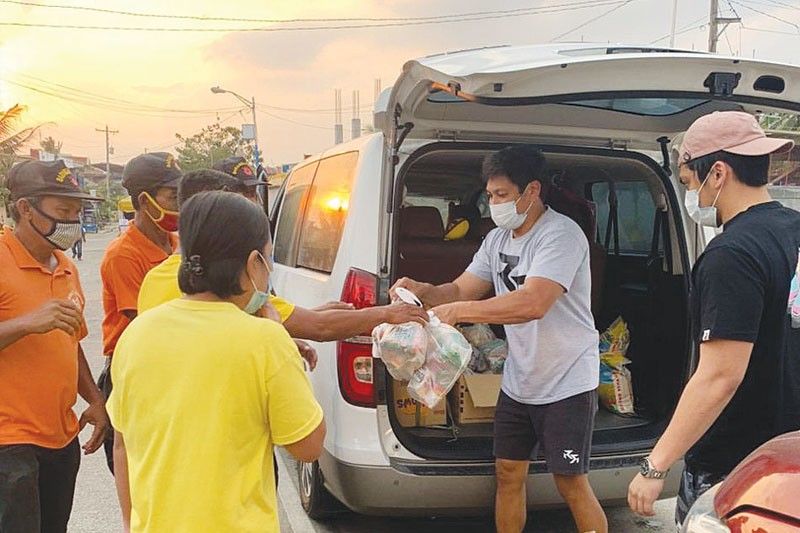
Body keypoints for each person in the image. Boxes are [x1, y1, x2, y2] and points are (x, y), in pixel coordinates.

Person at [393, 145, 607, 533]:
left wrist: (459, 313)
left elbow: (533, 302)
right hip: (520, 380)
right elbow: (460, 289)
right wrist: (422, 290)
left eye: (502, 195)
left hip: (567, 381)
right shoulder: (497, 240)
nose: (494, 204)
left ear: (532, 191)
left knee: (570, 482)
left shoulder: (561, 235)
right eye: (490, 196)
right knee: (508, 473)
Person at [108, 191, 326, 532]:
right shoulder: (265, 339)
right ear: (254, 263)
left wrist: (129, 520)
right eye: (268, 260)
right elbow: (309, 446)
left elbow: (121, 443)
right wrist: (282, 344)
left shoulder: (137, 334)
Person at [627, 111, 800, 525]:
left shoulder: (731, 254)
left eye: (688, 182)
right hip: (789, 456)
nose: (693, 196)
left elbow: (720, 376)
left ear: (717, 173)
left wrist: (656, 465)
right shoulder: (795, 229)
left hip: (734, 466)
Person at [137, 169, 428, 343]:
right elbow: (318, 328)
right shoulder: (230, 287)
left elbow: (300, 319)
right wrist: (388, 313)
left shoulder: (156, 281)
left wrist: (321, 312)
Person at [0, 160, 109, 533]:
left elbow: (71, 341)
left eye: (77, 212)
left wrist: (94, 399)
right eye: (63, 211)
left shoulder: (65, 266)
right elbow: (37, 326)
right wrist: (25, 324)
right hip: (8, 441)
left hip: (60, 436)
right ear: (25, 208)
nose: (72, 222)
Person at [98, 152, 181, 473]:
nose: (180, 205)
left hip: (170, 368)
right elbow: (146, 326)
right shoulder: (124, 255)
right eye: (173, 197)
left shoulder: (175, 243)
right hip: (136, 371)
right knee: (141, 469)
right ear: (144, 201)